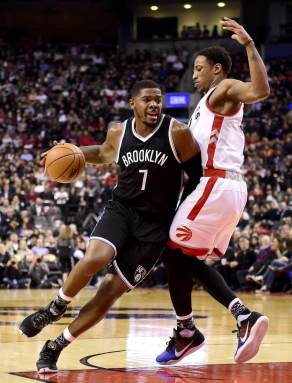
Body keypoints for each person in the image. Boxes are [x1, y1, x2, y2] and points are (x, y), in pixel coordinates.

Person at [19, 80, 202, 372]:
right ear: (133, 103)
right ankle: (55, 308)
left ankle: (55, 345)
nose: (154, 104)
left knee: (108, 293)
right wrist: (73, 151)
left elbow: (197, 177)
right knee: (95, 257)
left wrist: (186, 217)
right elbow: (104, 153)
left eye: (158, 100)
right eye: (147, 100)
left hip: (155, 224)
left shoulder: (178, 133)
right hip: (122, 210)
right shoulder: (119, 131)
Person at [156, 17, 270, 365]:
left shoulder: (223, 89)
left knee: (174, 250)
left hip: (216, 184)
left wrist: (249, 45)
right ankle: (202, 326)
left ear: (217, 70)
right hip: (223, 188)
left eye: (199, 68)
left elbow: (260, 91)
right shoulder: (203, 106)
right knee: (181, 257)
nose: (194, 74)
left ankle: (228, 320)